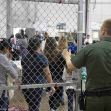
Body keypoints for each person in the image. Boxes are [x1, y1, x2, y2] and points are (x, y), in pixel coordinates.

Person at [62, 19, 111, 111]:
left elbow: (71, 67)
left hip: (95, 99)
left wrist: (67, 56)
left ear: (103, 31)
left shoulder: (91, 49)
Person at [21, 37, 55, 111]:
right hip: (36, 85)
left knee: (31, 106)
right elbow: (48, 73)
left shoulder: (25, 57)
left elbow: (24, 71)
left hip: (25, 84)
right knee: (35, 106)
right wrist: (51, 86)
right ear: (38, 46)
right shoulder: (42, 57)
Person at [44, 37, 66, 111]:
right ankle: (53, 108)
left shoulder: (44, 55)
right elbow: (65, 64)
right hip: (58, 79)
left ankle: (52, 108)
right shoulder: (60, 54)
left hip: (48, 80)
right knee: (57, 97)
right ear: (55, 44)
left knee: (52, 97)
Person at [0, 38, 18, 111]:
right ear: (5, 48)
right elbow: (14, 74)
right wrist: (9, 62)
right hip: (2, 87)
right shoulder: (2, 57)